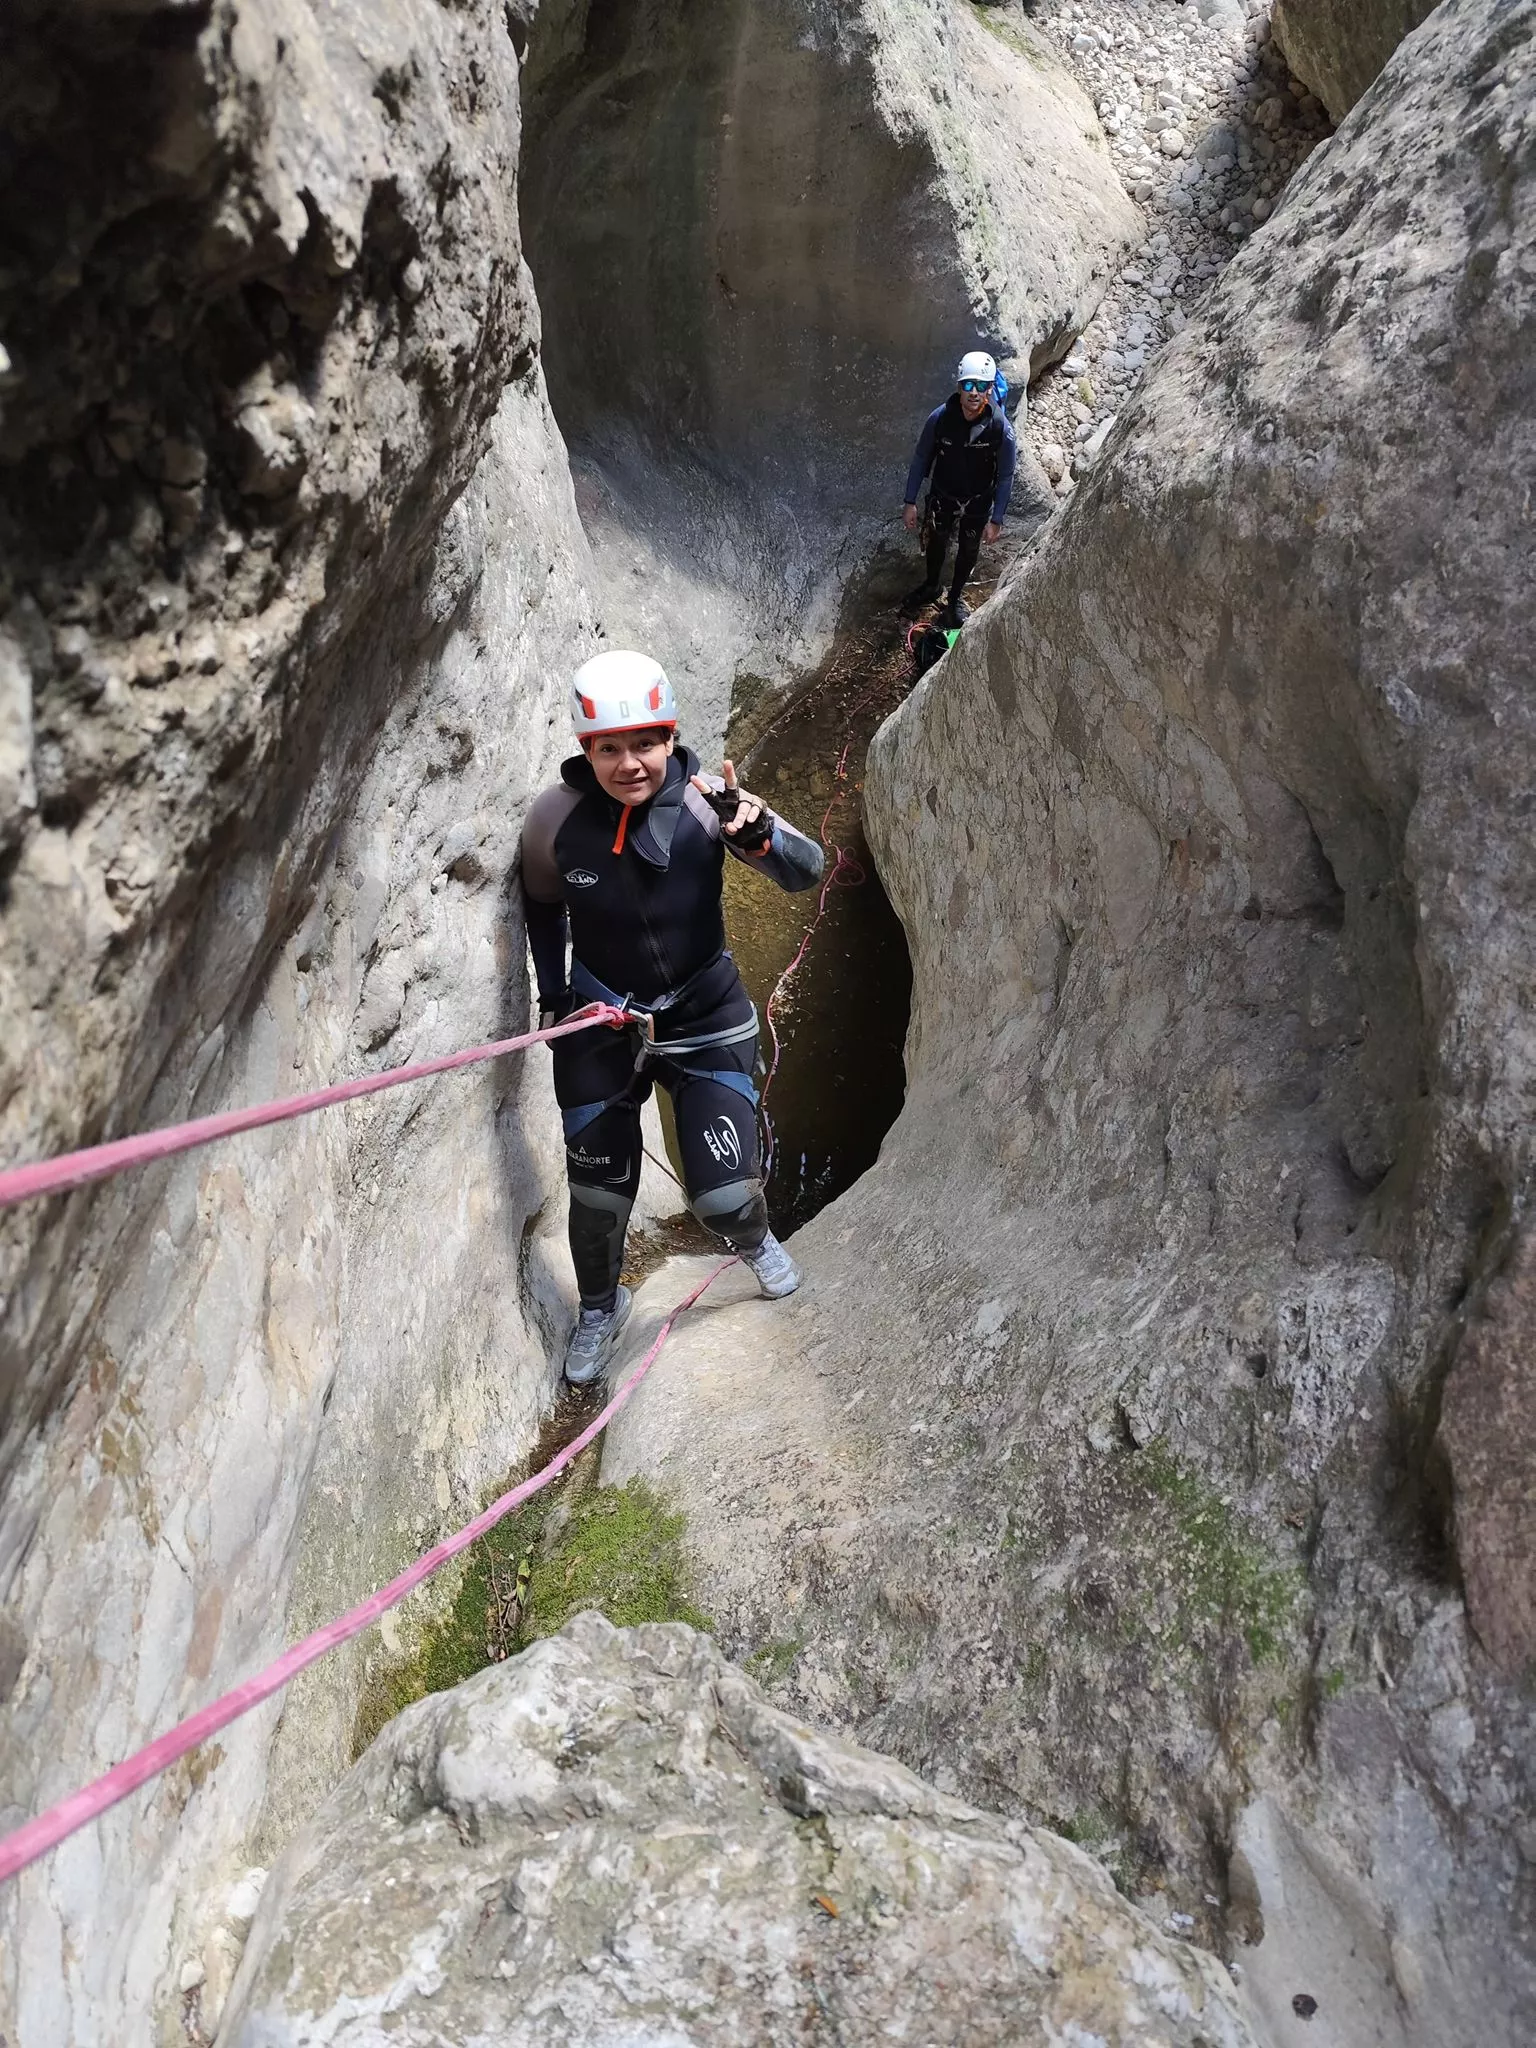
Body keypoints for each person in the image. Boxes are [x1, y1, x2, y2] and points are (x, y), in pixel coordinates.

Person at [520, 649, 826, 1385]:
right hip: (603, 1022)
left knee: (722, 1195)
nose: (629, 764)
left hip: (706, 1017)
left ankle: (755, 1242)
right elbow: (542, 905)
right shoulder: (555, 820)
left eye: (645, 744)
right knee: (597, 1196)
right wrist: (556, 996)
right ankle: (602, 1308)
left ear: (670, 737)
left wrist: (760, 837)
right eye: (609, 748)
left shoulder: (711, 803)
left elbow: (808, 869)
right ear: (585, 748)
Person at [901, 349, 1017, 626]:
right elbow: (921, 458)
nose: (973, 392)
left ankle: (954, 599)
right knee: (936, 541)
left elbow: (1006, 475)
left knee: (968, 548)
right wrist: (910, 501)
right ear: (959, 387)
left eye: (981, 385)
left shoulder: (1000, 429)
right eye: (968, 385)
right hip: (943, 495)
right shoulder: (940, 419)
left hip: (977, 501)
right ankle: (932, 585)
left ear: (990, 389)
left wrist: (996, 519)